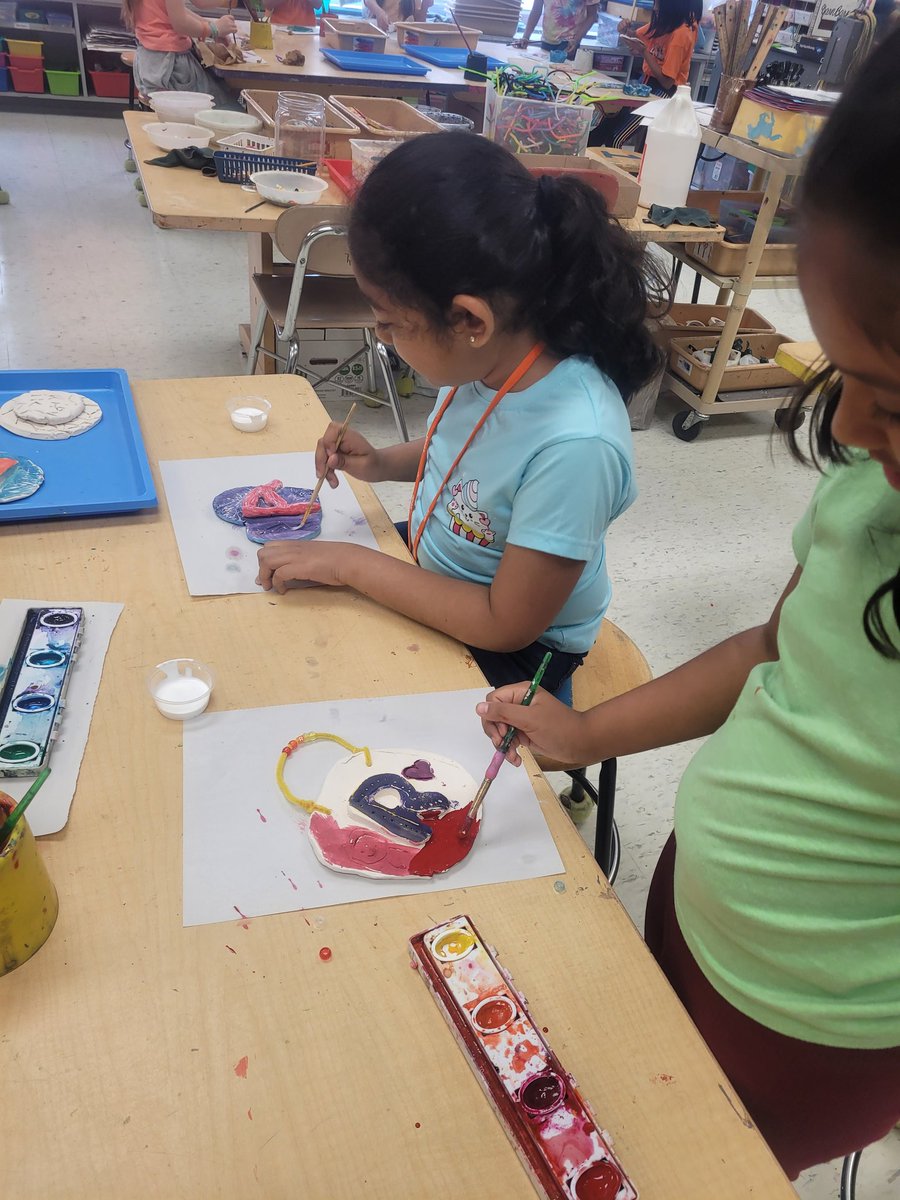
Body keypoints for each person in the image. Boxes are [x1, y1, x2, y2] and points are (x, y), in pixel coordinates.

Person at [476, 28, 900, 1180]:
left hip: (815, 1028)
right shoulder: (871, 489)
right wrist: (584, 733)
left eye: (894, 400)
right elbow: (779, 648)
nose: (846, 431)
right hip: (696, 901)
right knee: (624, 1111)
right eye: (844, 378)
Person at [256, 133, 662, 699]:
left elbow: (505, 623)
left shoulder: (577, 448)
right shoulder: (494, 358)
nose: (381, 337)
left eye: (389, 322)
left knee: (343, 688)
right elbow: (470, 456)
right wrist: (380, 463)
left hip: (518, 647)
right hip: (443, 564)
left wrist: (351, 565)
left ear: (470, 320)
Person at [592, 0, 702, 146]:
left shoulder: (681, 33)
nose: (654, 8)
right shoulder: (664, 23)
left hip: (665, 93)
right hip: (647, 83)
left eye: (658, 4)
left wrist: (644, 52)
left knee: (616, 138)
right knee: (604, 127)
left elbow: (667, 82)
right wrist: (624, 30)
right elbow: (637, 37)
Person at [121, 0, 237, 104]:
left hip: (151, 66)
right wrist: (213, 29)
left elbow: (175, 10)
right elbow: (181, 23)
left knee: (224, 91)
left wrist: (210, 25)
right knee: (228, 103)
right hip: (171, 69)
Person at [516, 0, 599, 60]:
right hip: (547, 40)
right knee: (544, 73)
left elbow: (592, 16)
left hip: (569, 43)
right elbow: (536, 10)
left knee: (563, 75)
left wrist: (576, 39)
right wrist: (525, 37)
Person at [363, 0, 427, 33]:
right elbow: (368, 1)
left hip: (399, 36)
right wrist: (379, 12)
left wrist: (425, 6)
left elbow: (420, 22)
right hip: (376, 30)